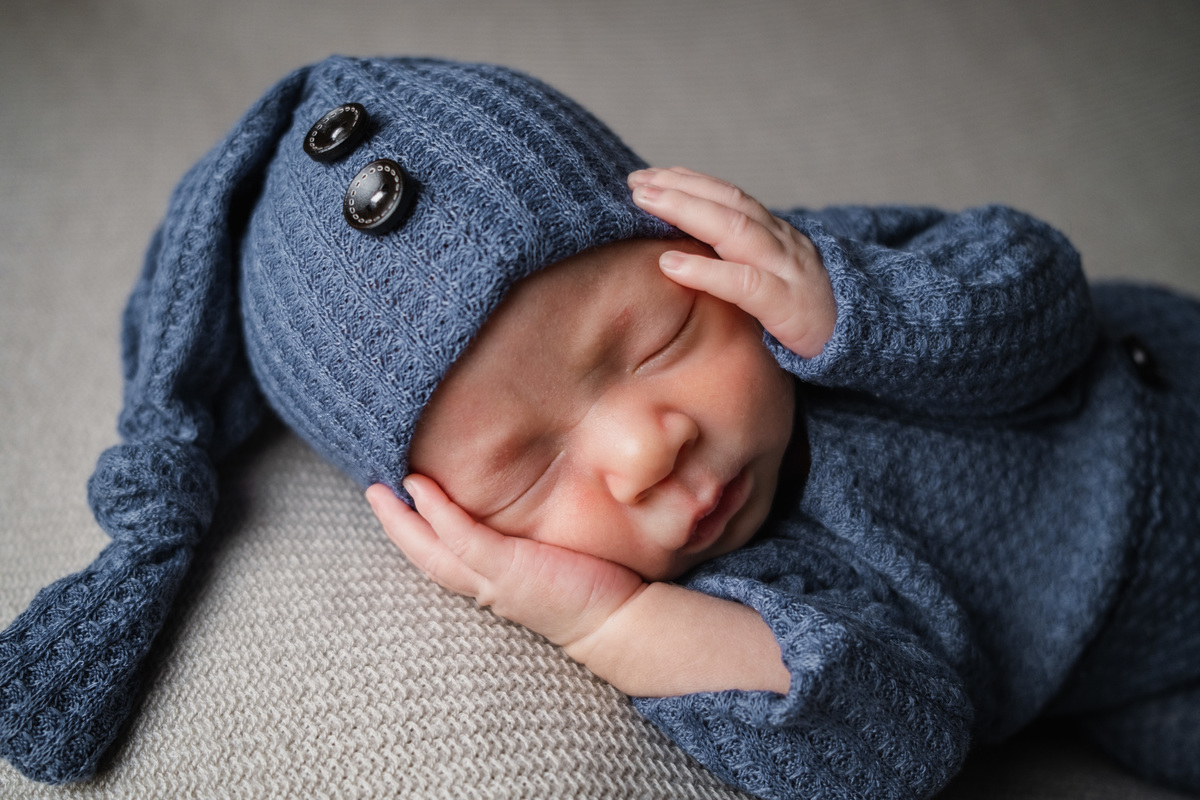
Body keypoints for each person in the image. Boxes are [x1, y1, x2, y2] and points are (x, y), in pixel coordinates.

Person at [0, 57, 1196, 799]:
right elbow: (898, 741)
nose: (646, 448)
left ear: (696, 240)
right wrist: (610, 615)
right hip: (1154, 675)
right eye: (529, 470)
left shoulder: (804, 281)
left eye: (657, 339)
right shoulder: (747, 594)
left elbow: (1037, 289)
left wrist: (845, 306)